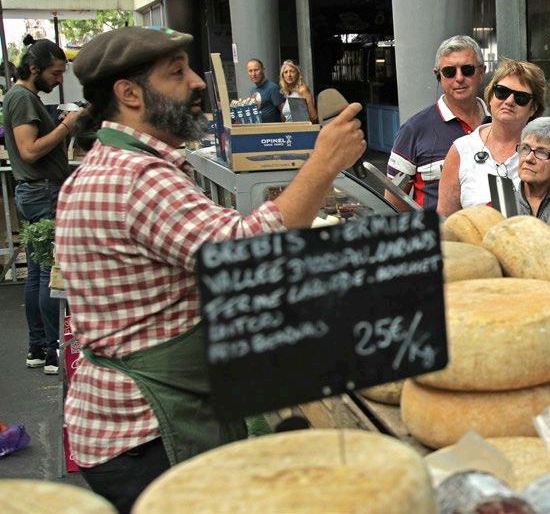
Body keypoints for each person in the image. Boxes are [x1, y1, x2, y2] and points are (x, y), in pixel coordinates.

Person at [55, 27, 365, 514]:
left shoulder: (112, 163)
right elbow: (247, 251)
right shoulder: (137, 178)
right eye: (177, 73)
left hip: (132, 423)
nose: (198, 82)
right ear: (130, 93)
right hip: (149, 431)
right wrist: (323, 164)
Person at [3, 35, 81, 374]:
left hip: (37, 192)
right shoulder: (22, 98)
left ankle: (39, 347)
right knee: (49, 274)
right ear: (34, 68)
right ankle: (52, 349)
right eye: (55, 73)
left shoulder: (22, 96)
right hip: (42, 193)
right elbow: (30, 150)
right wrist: (67, 125)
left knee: (37, 273)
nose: (59, 80)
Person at [438, 59, 550, 220]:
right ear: (490, 96)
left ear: (533, 107)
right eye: (502, 92)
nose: (509, 101)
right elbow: (446, 219)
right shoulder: (462, 149)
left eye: (521, 97)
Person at [386, 35, 489, 210]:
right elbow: (393, 202)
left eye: (467, 69)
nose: (459, 78)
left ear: (481, 72)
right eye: (449, 72)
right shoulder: (414, 130)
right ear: (438, 76)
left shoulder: (498, 124)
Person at [246, 58, 285, 123]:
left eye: (256, 70)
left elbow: (283, 112)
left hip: (273, 128)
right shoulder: (252, 90)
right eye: (250, 71)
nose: (253, 74)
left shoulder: (273, 88)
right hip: (258, 127)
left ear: (263, 70)